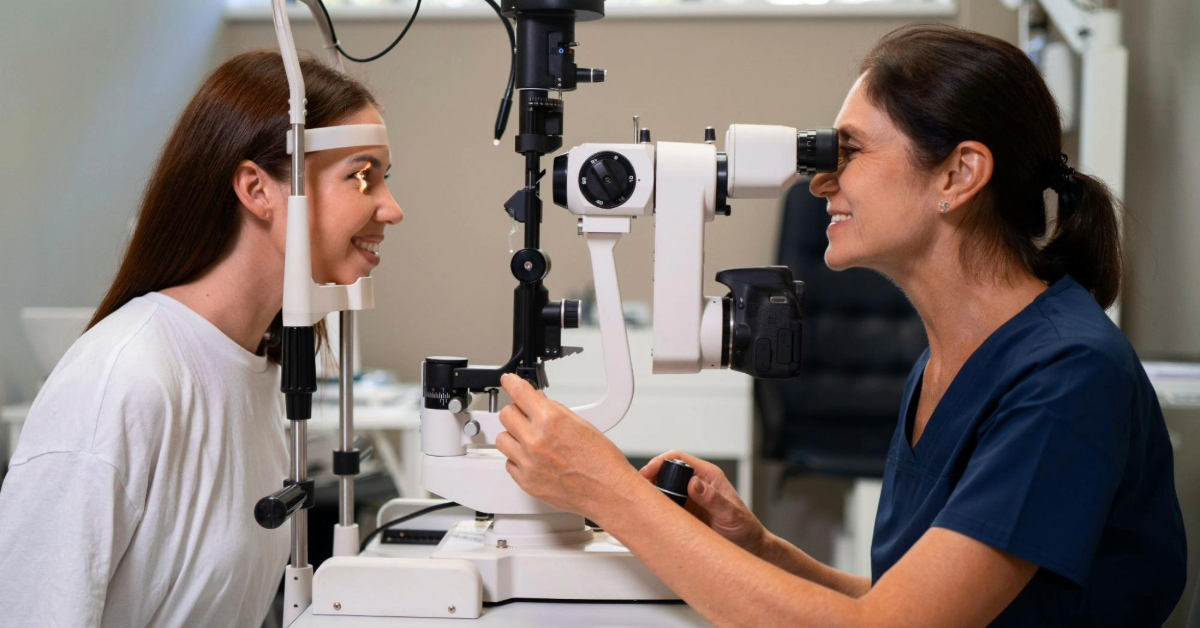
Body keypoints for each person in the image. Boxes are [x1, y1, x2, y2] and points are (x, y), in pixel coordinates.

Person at [492, 23, 1187, 627]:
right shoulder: (949, 361)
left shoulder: (1065, 377)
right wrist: (760, 548)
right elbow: (909, 603)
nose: (821, 181)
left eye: (848, 152)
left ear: (958, 175)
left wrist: (606, 490)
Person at [0, 51, 402, 627]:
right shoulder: (124, 381)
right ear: (257, 189)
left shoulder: (254, 366)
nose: (392, 208)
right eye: (362, 176)